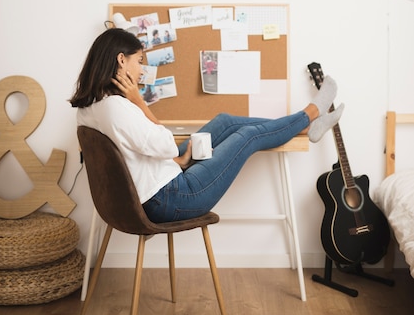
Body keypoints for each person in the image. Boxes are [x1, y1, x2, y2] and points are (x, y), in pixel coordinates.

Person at [70, 28, 344, 223]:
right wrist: (140, 102)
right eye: (139, 61)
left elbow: (135, 154)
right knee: (247, 137)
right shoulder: (118, 107)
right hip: (174, 197)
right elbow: (165, 144)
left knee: (225, 121)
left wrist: (176, 159)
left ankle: (305, 128)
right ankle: (311, 113)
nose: (142, 70)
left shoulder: (89, 109)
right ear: (121, 60)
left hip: (160, 183)